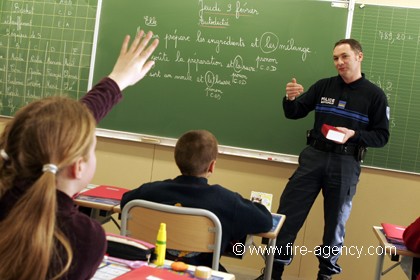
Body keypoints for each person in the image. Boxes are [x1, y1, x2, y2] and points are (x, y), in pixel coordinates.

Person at [0, 30, 159, 280]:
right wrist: (117, 80)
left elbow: (54, 132)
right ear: (78, 167)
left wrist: (116, 81)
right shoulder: (85, 238)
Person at [257, 39, 390, 280]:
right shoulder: (323, 86)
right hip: (314, 158)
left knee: (335, 226)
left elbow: (382, 136)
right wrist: (289, 99)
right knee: (288, 215)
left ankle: (325, 275)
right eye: (335, 58)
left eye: (344, 57)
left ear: (359, 57)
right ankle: (272, 273)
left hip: (345, 163)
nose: (339, 62)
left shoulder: (375, 96)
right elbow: (294, 113)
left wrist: (355, 135)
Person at [121, 129, 273, 271]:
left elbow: (125, 203)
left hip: (154, 270)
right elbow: (265, 222)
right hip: (201, 274)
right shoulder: (227, 201)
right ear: (212, 166)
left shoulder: (149, 191)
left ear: (176, 159)